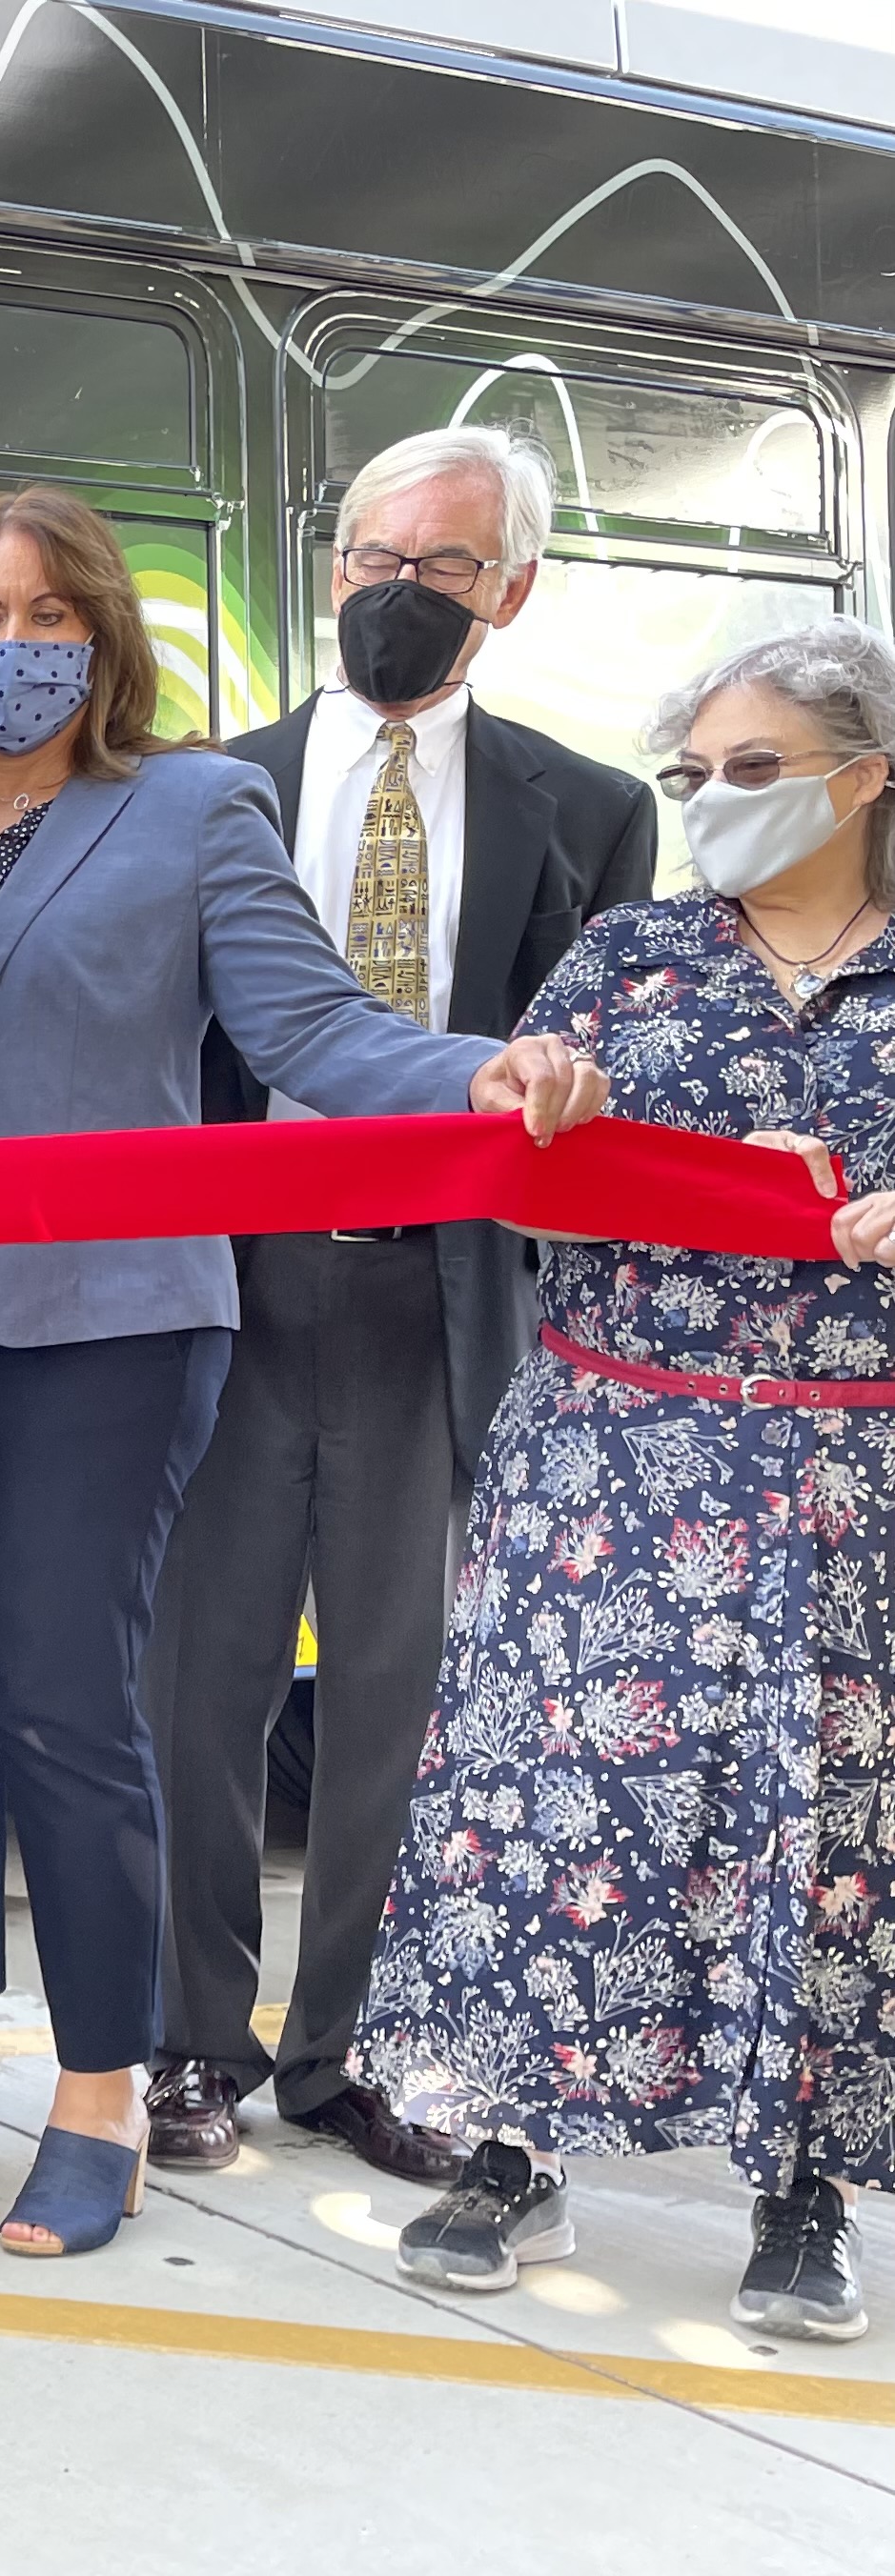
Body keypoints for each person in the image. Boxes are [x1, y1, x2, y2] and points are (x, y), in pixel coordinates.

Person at [0, 484, 607, 2260]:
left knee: (66, 1709)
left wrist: (482, 1073)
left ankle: (101, 2081)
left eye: (46, 619)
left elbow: (310, 1027)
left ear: (104, 633)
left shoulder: (188, 806)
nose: (9, 653)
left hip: (98, 1328)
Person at [355, 617, 895, 2340]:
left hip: (850, 1467)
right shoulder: (631, 956)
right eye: (697, 777)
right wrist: (534, 1099)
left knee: (821, 1828)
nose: (718, 803)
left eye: (758, 770)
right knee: (558, 1800)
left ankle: (802, 2188)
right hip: (615, 1457)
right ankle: (511, 2145)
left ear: (867, 774)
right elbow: (520, 1161)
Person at [146, 426, 658, 2184]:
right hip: (225, 1290)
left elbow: (601, 1075)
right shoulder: (204, 782)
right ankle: (189, 2045)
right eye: (371, 557)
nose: (394, 593)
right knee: (195, 1685)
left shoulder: (586, 809)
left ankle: (340, 2053)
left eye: (440, 567)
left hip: (438, 1310)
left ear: (508, 590)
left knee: (392, 1696)